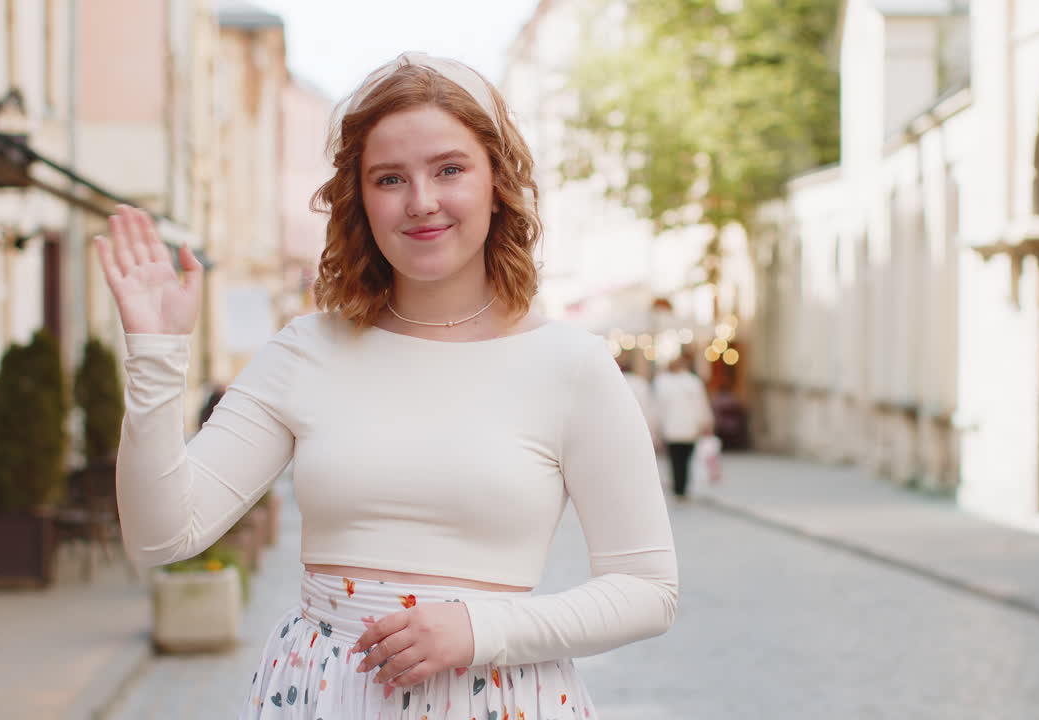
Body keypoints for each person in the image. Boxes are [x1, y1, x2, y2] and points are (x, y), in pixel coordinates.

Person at [95, 52, 677, 719]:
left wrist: (480, 629)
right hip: (324, 694)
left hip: (498, 698)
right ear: (358, 199)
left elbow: (647, 589)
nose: (421, 201)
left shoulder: (572, 365)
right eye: (389, 178)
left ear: (497, 181)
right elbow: (161, 535)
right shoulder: (304, 350)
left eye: (449, 169)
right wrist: (156, 354)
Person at [653, 352, 714, 501]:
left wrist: (657, 427)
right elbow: (701, 405)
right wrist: (705, 422)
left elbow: (658, 408)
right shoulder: (693, 382)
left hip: (671, 428)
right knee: (686, 458)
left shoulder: (662, 383)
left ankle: (678, 488)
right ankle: (682, 488)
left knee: (675, 459)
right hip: (689, 427)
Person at [616, 349, 659, 447]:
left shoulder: (614, 384)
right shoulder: (641, 383)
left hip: (620, 430)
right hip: (638, 429)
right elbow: (648, 409)